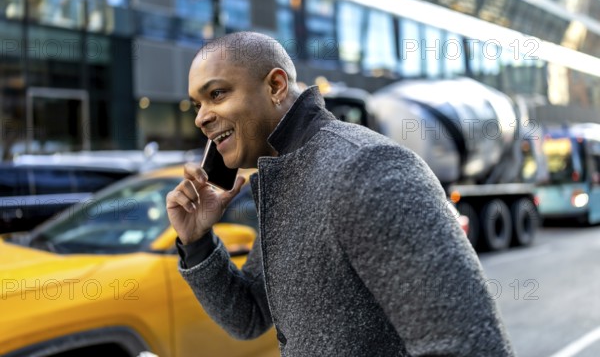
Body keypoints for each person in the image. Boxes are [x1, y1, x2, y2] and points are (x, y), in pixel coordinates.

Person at [166, 31, 515, 356]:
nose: (201, 118)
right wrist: (197, 242)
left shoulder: (366, 168)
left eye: (216, 94)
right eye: (197, 104)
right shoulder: (284, 178)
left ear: (275, 85)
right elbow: (249, 318)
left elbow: (471, 344)